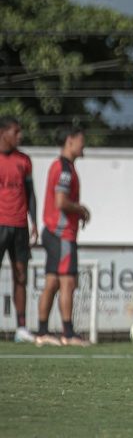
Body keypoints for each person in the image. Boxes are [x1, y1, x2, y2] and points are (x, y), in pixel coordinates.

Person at [35, 125, 91, 347]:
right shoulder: (65, 169)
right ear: (70, 140)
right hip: (61, 234)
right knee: (68, 282)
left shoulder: (61, 166)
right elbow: (61, 201)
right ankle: (68, 333)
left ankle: (42, 332)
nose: (83, 144)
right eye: (81, 139)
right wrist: (81, 209)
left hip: (52, 232)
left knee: (52, 282)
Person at [0, 117, 39, 343]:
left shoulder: (24, 160)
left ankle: (22, 328)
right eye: (16, 132)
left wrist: (34, 221)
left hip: (20, 226)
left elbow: (30, 193)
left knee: (21, 275)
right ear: (4, 133)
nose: (20, 136)